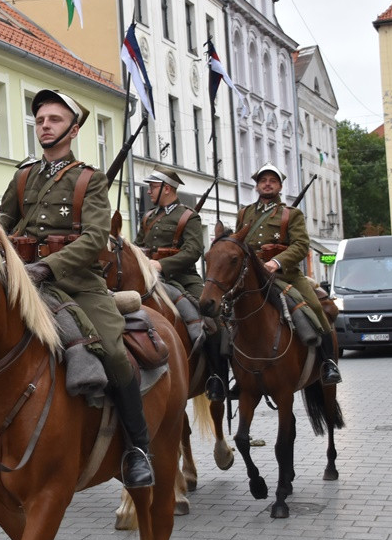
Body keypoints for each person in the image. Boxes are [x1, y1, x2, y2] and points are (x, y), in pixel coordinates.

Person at [0, 89, 153, 488]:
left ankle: (138, 449)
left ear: (73, 129)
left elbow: (95, 238)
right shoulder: (22, 177)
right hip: (25, 282)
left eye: (54, 119)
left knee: (116, 352)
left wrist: (46, 267)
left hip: (80, 284)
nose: (45, 125)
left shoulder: (91, 179)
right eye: (40, 120)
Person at [236, 163, 342, 386]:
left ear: (280, 186)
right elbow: (238, 244)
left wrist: (276, 262)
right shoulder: (244, 213)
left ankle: (328, 363)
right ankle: (239, 373)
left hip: (286, 276)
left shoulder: (291, 214)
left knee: (314, 310)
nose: (267, 184)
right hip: (252, 278)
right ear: (256, 186)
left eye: (272, 181)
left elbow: (301, 245)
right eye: (263, 180)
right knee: (227, 314)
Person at [133, 167, 229, 401]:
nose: (149, 192)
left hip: (182, 278)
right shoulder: (148, 217)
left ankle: (218, 377)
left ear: (167, 189)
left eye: (153, 187)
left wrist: (161, 265)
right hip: (150, 279)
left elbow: (193, 250)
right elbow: (137, 246)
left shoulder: (188, 217)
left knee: (212, 319)